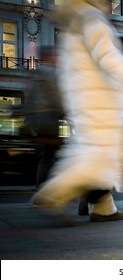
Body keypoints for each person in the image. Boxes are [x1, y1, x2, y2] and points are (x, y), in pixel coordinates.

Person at [31, 0, 123, 223]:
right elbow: (104, 50)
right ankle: (52, 194)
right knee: (98, 155)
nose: (111, 5)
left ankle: (104, 208)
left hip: (83, 98)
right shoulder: (92, 18)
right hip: (98, 98)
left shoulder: (74, 24)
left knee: (100, 154)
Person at [24, 46, 65, 190]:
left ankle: (42, 187)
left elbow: (28, 99)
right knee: (52, 156)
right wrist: (65, 112)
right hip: (50, 120)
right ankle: (47, 189)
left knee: (46, 156)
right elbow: (57, 98)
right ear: (49, 57)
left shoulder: (34, 75)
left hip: (37, 121)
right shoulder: (51, 74)